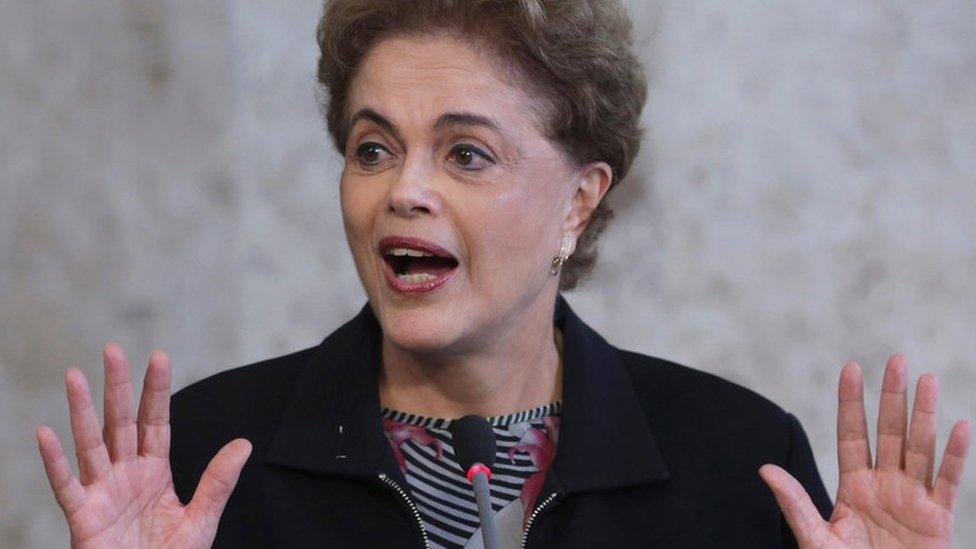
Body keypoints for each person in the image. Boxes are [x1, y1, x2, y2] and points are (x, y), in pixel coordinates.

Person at [35, 0, 971, 547]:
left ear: (578, 200)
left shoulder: (737, 462)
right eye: (371, 148)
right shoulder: (201, 458)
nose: (402, 191)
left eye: (466, 154)